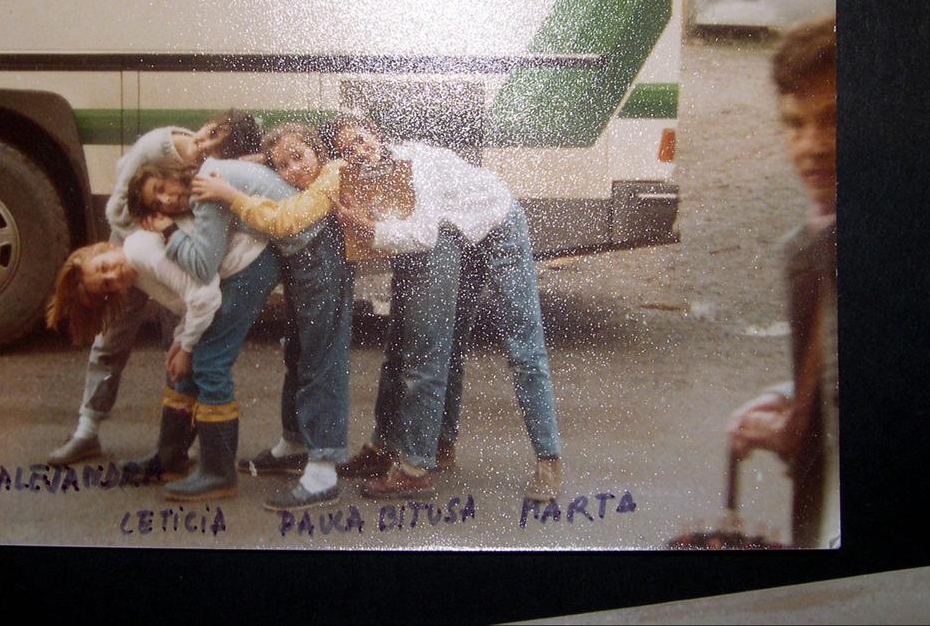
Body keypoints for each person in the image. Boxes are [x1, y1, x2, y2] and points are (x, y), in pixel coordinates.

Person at [328, 116, 563, 503]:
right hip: (455, 234)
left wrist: (366, 228)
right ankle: (438, 447)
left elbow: (421, 234)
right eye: (346, 150)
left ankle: (548, 459)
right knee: (445, 344)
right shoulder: (373, 177)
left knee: (523, 346)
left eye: (359, 138)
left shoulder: (415, 165)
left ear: (376, 135)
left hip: (497, 223)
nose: (356, 150)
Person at [148, 125, 352, 510]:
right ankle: (295, 443)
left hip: (319, 253)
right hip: (301, 256)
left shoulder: (210, 184)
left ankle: (324, 469)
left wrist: (170, 232)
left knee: (321, 358)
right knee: (298, 352)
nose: (165, 200)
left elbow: (205, 262)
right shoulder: (221, 169)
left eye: (162, 192)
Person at [45, 112, 261, 466]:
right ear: (204, 126)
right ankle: (88, 429)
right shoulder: (152, 147)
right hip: (130, 248)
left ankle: (177, 443)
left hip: (176, 254)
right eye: (205, 138)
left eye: (215, 149)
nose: (204, 147)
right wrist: (146, 240)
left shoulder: (210, 163)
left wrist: (172, 238)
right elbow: (117, 213)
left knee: (175, 342)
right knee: (112, 339)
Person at [726, 17, 838, 549]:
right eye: (795, 124)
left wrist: (790, 427)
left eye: (834, 120)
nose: (811, 146)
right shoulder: (816, 241)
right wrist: (786, 397)